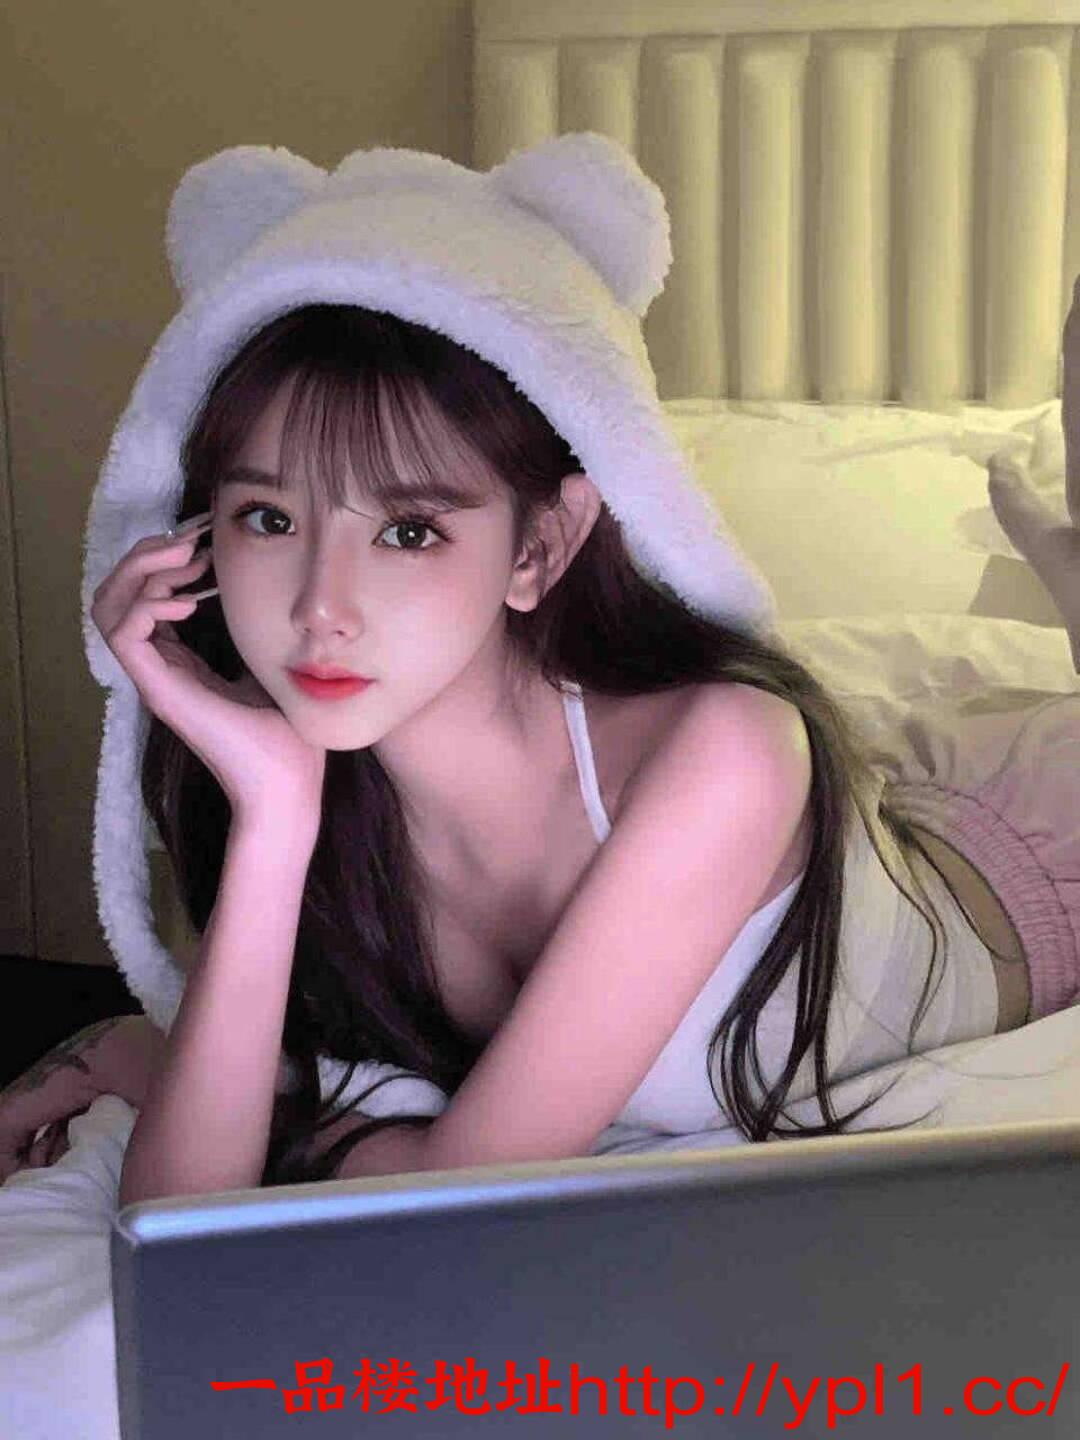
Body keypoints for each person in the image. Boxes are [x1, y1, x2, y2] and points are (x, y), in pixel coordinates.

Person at [1, 134, 1078, 1197]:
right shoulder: (305, 778)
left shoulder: (725, 753)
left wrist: (163, 1067)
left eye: (409, 532)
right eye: (269, 518)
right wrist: (274, 815)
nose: (320, 609)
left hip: (1032, 850)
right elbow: (177, 1217)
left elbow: (453, 1193)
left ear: (540, 548)